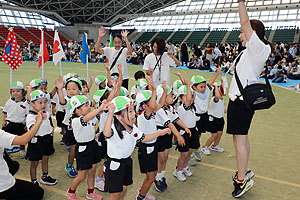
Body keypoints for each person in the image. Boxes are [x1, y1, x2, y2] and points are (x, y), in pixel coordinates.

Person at [227, 0, 273, 197]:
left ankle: (241, 180)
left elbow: (245, 23)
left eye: (242, 32)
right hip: (238, 101)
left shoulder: (257, 48)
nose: (239, 34)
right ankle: (243, 171)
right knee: (242, 141)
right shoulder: (250, 51)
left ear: (252, 33)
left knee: (239, 143)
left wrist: (241, 3)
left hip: (241, 102)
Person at [103, 96, 171, 200]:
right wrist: (110, 114)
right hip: (115, 165)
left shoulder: (132, 127)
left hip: (127, 162)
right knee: (115, 195)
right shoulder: (114, 129)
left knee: (124, 189)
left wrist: (160, 133)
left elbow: (144, 138)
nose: (133, 114)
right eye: (129, 111)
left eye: (133, 110)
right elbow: (106, 133)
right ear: (119, 116)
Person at [66, 95, 107, 200]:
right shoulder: (76, 120)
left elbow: (99, 113)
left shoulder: (88, 116)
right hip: (83, 149)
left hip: (92, 145)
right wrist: (100, 108)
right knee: (81, 176)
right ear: (77, 110)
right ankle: (71, 191)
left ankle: (90, 192)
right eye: (86, 105)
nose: (89, 107)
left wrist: (104, 105)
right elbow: (87, 117)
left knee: (92, 171)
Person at [0, 110, 45, 200]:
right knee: (38, 192)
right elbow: (23, 140)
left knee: (14, 165)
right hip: (3, 186)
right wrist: (38, 121)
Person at [26, 90, 57, 186]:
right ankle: (33, 181)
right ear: (32, 104)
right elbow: (31, 129)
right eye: (40, 102)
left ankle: (45, 176)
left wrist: (51, 130)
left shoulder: (46, 114)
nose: (43, 105)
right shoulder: (30, 116)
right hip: (36, 141)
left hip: (46, 139)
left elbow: (48, 125)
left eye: (45, 102)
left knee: (45, 159)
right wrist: (38, 120)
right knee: (34, 163)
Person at [55, 77, 83, 178]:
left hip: (81, 127)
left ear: (80, 90)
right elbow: (62, 102)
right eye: (68, 89)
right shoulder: (68, 99)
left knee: (81, 147)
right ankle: (69, 166)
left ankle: (80, 164)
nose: (71, 91)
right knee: (74, 148)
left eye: (74, 89)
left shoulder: (82, 99)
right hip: (71, 128)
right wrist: (59, 90)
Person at [2, 81, 29, 159]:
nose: (15, 93)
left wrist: (26, 124)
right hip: (10, 123)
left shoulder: (26, 103)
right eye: (13, 91)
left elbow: (27, 115)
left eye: (18, 91)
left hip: (20, 124)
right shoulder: (9, 101)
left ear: (23, 92)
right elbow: (5, 112)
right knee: (6, 137)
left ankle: (22, 150)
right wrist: (4, 121)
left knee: (22, 138)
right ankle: (5, 152)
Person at [201, 81, 225, 156]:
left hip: (220, 119)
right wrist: (215, 86)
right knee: (214, 135)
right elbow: (217, 96)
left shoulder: (221, 99)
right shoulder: (215, 98)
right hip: (213, 120)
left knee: (220, 133)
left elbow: (219, 108)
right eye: (221, 89)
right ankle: (205, 147)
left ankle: (215, 146)